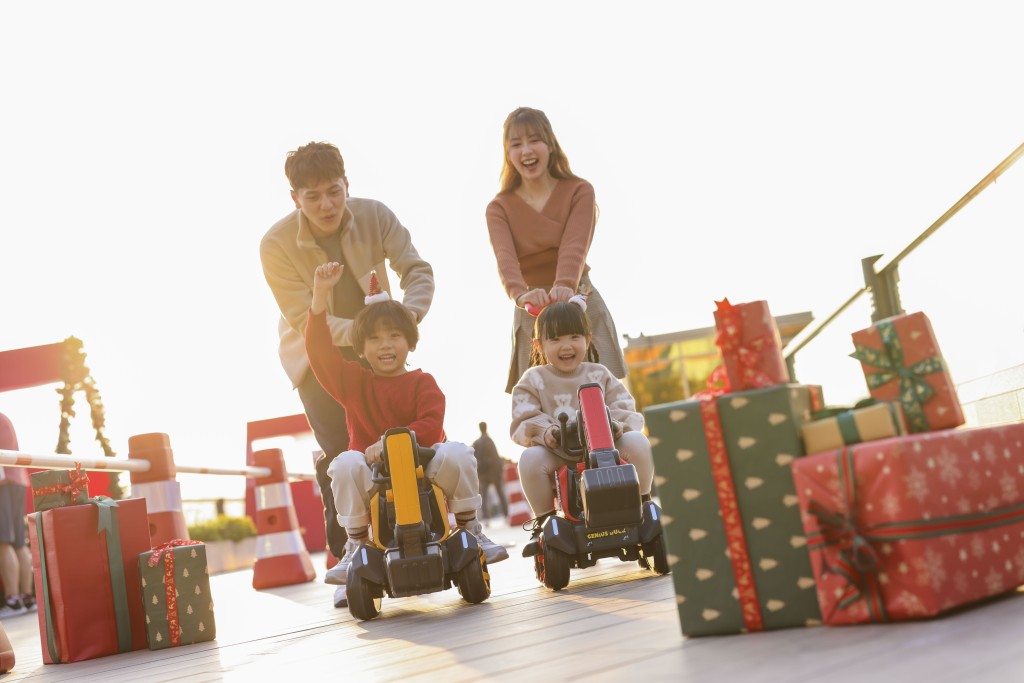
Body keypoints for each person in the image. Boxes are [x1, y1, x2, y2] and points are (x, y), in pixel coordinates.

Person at [260, 141, 435, 607]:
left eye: (334, 192)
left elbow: (416, 270)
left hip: (380, 349)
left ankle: (415, 536)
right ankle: (350, 557)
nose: (326, 205)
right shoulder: (275, 245)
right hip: (316, 358)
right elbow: (304, 320)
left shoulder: (376, 215)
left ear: (347, 185)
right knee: (342, 455)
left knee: (401, 442)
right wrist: (367, 336)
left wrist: (407, 319)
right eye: (312, 196)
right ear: (294, 198)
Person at [307, 262, 509, 587]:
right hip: (375, 478)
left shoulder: (423, 383)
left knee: (457, 452)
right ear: (361, 348)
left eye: (394, 336)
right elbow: (319, 354)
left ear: (410, 342)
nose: (385, 344)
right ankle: (356, 542)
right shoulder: (353, 383)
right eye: (374, 339)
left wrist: (388, 442)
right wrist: (319, 297)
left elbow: (430, 425)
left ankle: (470, 527)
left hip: (423, 471)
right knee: (343, 463)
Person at [486, 106, 627, 394]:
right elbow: (505, 260)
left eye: (534, 140)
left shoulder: (579, 191)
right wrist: (521, 294)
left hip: (578, 297)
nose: (526, 150)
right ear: (508, 153)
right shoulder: (499, 208)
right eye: (516, 144)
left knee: (603, 394)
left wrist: (564, 285)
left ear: (550, 144)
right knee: (540, 399)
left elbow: (574, 245)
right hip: (532, 307)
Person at [509, 299, 654, 554]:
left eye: (574, 336)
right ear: (539, 345)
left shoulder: (599, 374)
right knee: (530, 460)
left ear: (588, 338)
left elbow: (624, 407)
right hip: (558, 451)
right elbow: (523, 418)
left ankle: (643, 503)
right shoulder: (533, 379)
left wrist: (617, 425)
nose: (566, 346)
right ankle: (544, 521)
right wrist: (546, 432)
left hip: (605, 447)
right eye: (555, 339)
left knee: (639, 442)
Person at [0, 414, 34, 618]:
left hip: (4, 482)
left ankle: (13, 599)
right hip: (17, 479)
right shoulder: (4, 418)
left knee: (3, 542)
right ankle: (26, 596)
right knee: (19, 542)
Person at [472, 422, 507, 520]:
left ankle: (486, 517)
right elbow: (495, 457)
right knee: (500, 493)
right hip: (493, 473)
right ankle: (506, 514)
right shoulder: (489, 441)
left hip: (482, 474)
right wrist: (499, 470)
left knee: (484, 496)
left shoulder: (476, 442)